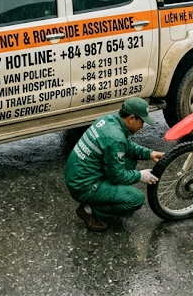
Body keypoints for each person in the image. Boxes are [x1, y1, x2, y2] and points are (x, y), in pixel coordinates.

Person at [65, 97, 164, 232]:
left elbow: (126, 145)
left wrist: (149, 153)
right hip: (83, 186)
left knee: (130, 158)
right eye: (142, 122)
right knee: (136, 199)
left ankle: (110, 197)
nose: (142, 127)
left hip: (76, 175)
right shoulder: (114, 138)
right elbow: (117, 176)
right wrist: (140, 176)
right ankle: (88, 209)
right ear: (131, 118)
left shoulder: (109, 119)